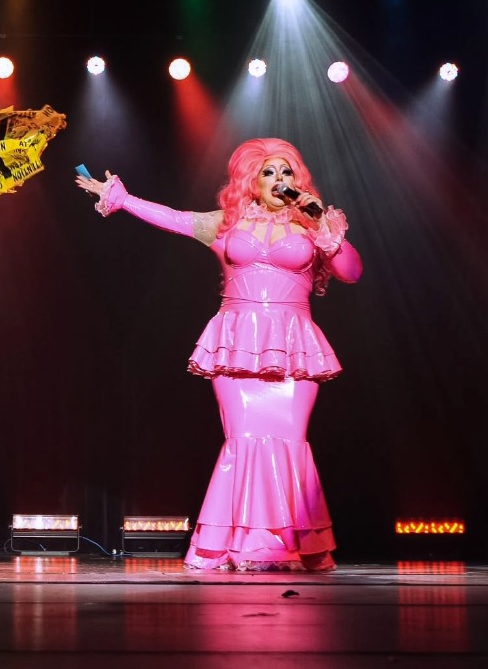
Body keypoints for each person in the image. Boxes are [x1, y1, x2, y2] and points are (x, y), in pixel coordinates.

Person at [76, 138, 362, 571]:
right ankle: (237, 542)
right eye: (269, 171)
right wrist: (123, 199)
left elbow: (351, 272)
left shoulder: (313, 226)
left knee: (289, 442)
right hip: (236, 344)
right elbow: (172, 219)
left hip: (293, 346)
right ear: (252, 180)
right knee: (243, 441)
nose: (279, 179)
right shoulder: (227, 224)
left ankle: (288, 543)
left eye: (286, 172)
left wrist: (324, 226)